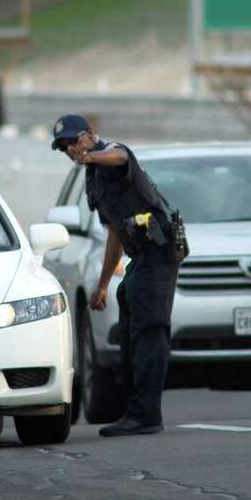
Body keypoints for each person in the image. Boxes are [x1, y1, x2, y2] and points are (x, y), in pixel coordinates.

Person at [51, 114, 180, 437]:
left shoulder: (111, 154)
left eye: (72, 140)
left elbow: (121, 155)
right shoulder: (93, 179)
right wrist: (104, 284)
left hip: (158, 250)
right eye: (63, 146)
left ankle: (147, 416)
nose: (70, 149)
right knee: (128, 318)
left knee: (150, 328)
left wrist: (90, 154)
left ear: (89, 135)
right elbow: (113, 234)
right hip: (139, 255)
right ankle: (134, 410)